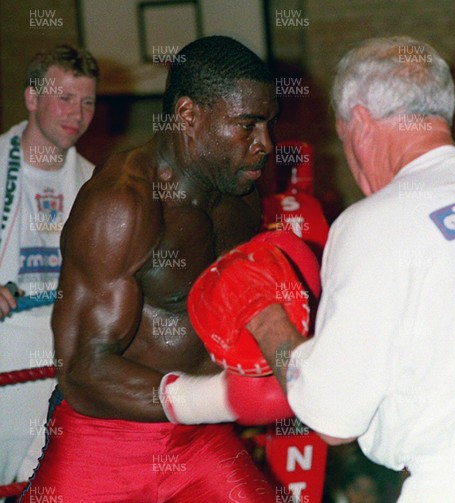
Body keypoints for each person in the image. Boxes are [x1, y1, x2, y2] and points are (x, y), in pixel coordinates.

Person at [207, 36, 455, 501]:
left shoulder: (373, 225)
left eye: (344, 137)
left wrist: (264, 313)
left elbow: (331, 417)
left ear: (361, 122)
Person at [21, 36, 285, 502]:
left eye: (267, 124)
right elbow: (82, 368)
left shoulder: (241, 198)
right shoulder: (122, 202)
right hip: (103, 439)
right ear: (188, 116)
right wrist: (222, 397)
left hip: (198, 438)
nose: (265, 144)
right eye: (247, 125)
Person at [0, 44, 97, 488]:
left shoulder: (97, 183)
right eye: (64, 98)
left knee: (48, 488)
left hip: (64, 355)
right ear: (32, 98)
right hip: (5, 347)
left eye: (88, 101)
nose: (76, 113)